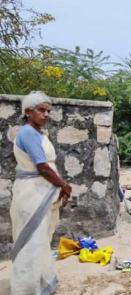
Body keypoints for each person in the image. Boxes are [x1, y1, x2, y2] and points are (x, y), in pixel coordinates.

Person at [10, 91, 72, 295]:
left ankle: (40, 283)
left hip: (39, 194)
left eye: (48, 111)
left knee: (39, 241)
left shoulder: (38, 134)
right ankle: (27, 289)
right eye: (41, 110)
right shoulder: (28, 133)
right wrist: (64, 185)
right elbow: (42, 167)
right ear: (28, 112)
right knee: (31, 242)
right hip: (31, 196)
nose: (46, 114)